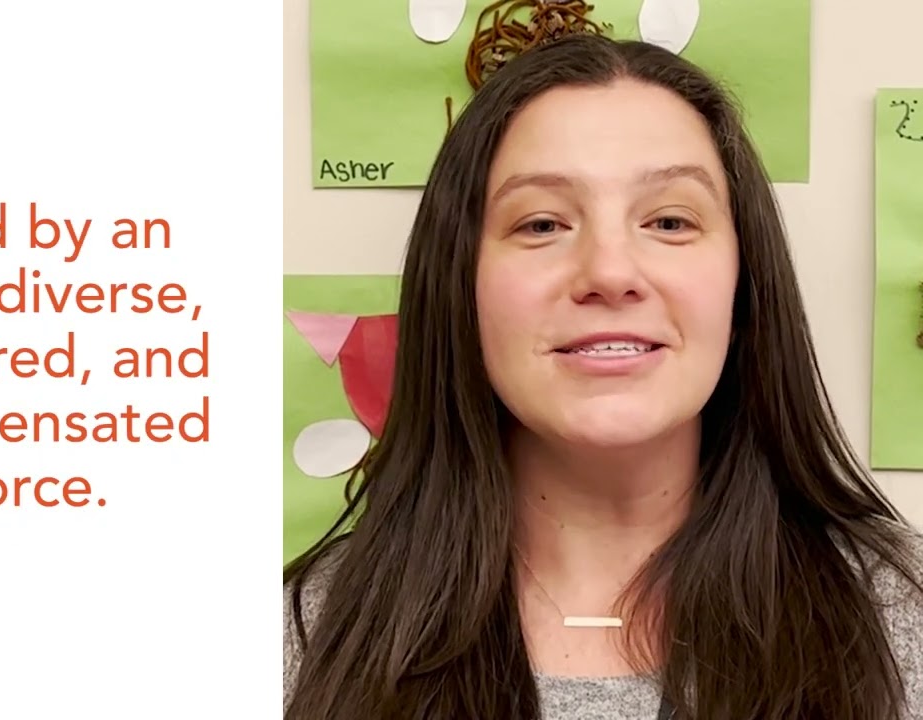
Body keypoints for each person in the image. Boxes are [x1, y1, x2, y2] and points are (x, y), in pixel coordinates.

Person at [283, 32, 923, 720]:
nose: (611, 272)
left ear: (744, 286)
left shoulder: (899, 614)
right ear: (460, 289)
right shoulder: (299, 639)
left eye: (670, 221)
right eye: (542, 225)